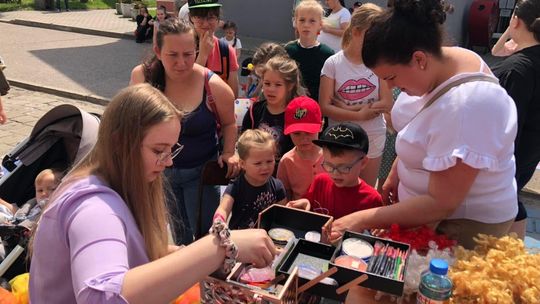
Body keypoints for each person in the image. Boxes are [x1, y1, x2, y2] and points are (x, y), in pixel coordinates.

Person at [29, 84, 276, 303]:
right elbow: (102, 296)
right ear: (119, 142)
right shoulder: (94, 206)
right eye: (159, 150)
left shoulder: (109, 186)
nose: (168, 162)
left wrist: (187, 257)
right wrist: (221, 246)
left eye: (171, 149)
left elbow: (129, 254)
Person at [328, 0, 518, 250]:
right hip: (428, 214)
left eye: (391, 77)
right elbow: (419, 132)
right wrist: (397, 172)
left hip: (459, 226)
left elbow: (441, 202)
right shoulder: (443, 63)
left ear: (419, 59)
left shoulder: (467, 106)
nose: (391, 87)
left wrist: (361, 218)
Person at [130, 18, 240, 244]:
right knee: (176, 235)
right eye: (173, 55)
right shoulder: (143, 78)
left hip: (200, 175)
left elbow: (230, 123)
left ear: (197, 51)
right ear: (158, 51)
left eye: (188, 54)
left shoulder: (213, 86)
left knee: (206, 236)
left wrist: (230, 152)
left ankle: (205, 277)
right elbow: (132, 123)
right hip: (159, 175)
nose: (181, 62)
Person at [319, 4, 392, 187]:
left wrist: (347, 108)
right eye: (374, 36)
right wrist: (358, 115)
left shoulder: (379, 62)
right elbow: (325, 106)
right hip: (341, 138)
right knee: (339, 192)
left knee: (364, 192)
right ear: (357, 32)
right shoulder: (333, 64)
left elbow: (387, 102)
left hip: (373, 135)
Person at [492, 0, 540, 240]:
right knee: (513, 201)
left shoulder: (516, 69)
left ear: (516, 21)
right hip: (529, 154)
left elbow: (505, 128)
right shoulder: (528, 59)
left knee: (501, 211)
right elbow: (495, 52)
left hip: (506, 159)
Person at [288, 122, 382, 219]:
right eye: (329, 165)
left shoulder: (372, 199)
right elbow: (309, 202)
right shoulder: (320, 182)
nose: (335, 173)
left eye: (344, 167)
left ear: (363, 163)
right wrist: (306, 202)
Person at [214, 129, 287, 229]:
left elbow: (282, 216)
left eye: (269, 161)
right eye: (258, 163)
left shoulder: (277, 186)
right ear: (243, 164)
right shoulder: (236, 186)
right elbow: (223, 208)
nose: (265, 167)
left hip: (267, 238)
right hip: (240, 238)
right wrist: (219, 221)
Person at [241, 56, 305, 159]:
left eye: (278, 85)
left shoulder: (298, 114)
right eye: (267, 83)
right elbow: (243, 144)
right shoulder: (255, 110)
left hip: (284, 172)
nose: (271, 89)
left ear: (290, 86)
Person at [285, 0, 335, 103]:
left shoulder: (327, 54)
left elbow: (331, 87)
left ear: (320, 25)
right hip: (290, 105)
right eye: (302, 20)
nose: (306, 25)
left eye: (312, 21)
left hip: (316, 109)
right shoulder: (288, 50)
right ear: (296, 22)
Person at [188, 0, 240, 97]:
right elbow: (186, 89)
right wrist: (203, 55)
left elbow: (233, 95)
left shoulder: (227, 51)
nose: (206, 23)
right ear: (191, 18)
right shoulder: (182, 47)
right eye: (199, 17)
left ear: (218, 19)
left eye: (211, 17)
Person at [277, 96, 324, 200]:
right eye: (296, 133)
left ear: (321, 126)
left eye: (309, 132)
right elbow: (285, 195)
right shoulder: (286, 161)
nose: (303, 139)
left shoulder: (332, 156)